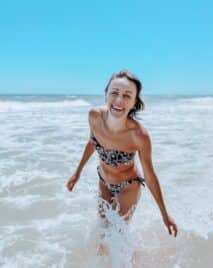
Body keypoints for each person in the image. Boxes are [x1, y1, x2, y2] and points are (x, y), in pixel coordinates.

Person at [66, 70, 178, 238]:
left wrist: (164, 213)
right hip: (103, 181)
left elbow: (150, 175)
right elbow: (92, 142)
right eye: (114, 93)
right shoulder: (94, 116)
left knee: (118, 235)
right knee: (103, 229)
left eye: (127, 95)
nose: (119, 100)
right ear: (106, 94)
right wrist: (77, 172)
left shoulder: (139, 135)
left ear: (134, 102)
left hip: (128, 186)